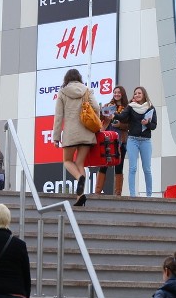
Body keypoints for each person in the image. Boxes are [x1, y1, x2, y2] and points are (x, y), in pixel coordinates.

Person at [52, 68, 100, 206]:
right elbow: (96, 107)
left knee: (67, 161)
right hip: (86, 132)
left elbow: (59, 117)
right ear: (79, 78)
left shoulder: (62, 92)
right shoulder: (86, 90)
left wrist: (56, 137)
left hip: (71, 134)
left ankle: (79, 178)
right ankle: (80, 196)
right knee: (80, 163)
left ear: (66, 79)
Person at [113, 86, 157, 197]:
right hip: (132, 140)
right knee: (132, 168)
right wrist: (113, 114)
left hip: (146, 141)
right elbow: (122, 117)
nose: (136, 95)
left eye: (139, 93)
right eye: (135, 93)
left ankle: (149, 196)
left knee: (147, 169)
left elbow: (154, 126)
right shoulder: (130, 107)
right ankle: (132, 195)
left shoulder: (150, 108)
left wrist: (147, 123)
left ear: (144, 95)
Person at [94, 85, 129, 196]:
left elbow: (129, 125)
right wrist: (102, 113)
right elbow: (99, 119)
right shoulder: (108, 106)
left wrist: (120, 124)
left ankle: (117, 193)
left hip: (120, 140)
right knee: (103, 164)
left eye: (119, 92)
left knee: (119, 165)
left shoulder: (127, 108)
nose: (116, 94)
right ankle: (97, 192)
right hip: (107, 139)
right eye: (115, 92)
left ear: (122, 94)